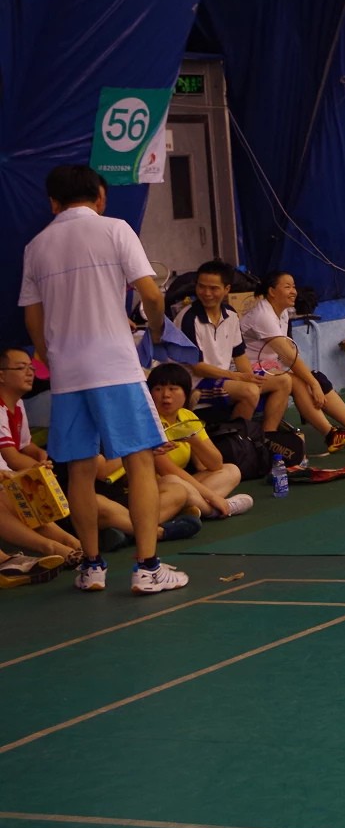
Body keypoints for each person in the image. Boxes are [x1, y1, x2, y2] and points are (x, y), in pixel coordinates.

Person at [19, 165, 187, 593]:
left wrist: (51, 356)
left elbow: (33, 317)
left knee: (78, 469)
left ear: (53, 203)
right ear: (100, 197)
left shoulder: (36, 247)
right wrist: (155, 330)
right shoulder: (116, 229)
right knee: (139, 461)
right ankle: (147, 567)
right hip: (114, 367)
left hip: (67, 374)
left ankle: (92, 567)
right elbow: (151, 294)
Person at [240, 271, 345, 450]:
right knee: (301, 382)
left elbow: (288, 353)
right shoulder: (263, 316)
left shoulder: (283, 312)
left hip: (269, 367)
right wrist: (313, 384)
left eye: (294, 286)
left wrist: (314, 381)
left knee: (317, 377)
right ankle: (331, 434)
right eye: (287, 287)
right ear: (271, 291)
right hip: (246, 370)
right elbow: (289, 357)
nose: (293, 291)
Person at [176, 260, 293, 430]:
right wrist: (239, 377)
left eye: (213, 288)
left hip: (223, 379)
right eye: (201, 287)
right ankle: (237, 439)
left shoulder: (230, 314)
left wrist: (249, 376)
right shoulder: (188, 318)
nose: (206, 293)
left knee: (284, 380)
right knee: (250, 391)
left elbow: (239, 355)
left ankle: (269, 435)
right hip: (197, 383)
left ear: (226, 289)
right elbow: (198, 368)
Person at [0, 347, 84, 562]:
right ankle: (51, 547)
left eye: (31, 368)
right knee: (14, 497)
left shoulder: (17, 404)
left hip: (7, 476)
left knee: (25, 496)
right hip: (6, 476)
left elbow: (25, 445)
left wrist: (40, 455)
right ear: (1, 375)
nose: (30, 373)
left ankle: (70, 543)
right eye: (21, 368)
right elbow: (12, 457)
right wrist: (38, 471)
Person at [142, 363, 254, 520]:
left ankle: (189, 507)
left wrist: (194, 440)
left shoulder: (187, 416)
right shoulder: (148, 422)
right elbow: (168, 471)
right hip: (158, 487)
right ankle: (213, 510)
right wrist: (213, 497)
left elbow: (215, 464)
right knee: (173, 481)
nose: (166, 395)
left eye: (173, 388)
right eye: (158, 389)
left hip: (182, 484)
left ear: (186, 393)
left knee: (231, 471)